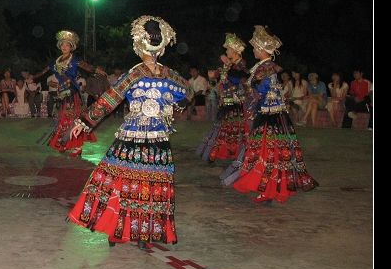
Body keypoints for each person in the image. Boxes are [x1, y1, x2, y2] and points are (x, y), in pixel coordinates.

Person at [68, 16, 190, 246]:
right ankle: (142, 233)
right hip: (158, 140)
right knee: (150, 186)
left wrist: (84, 122)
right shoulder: (169, 75)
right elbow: (188, 93)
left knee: (122, 183)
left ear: (140, 46)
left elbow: (110, 99)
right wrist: (174, 104)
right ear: (161, 47)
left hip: (132, 138)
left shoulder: (135, 73)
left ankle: (117, 229)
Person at [221, 26, 318, 203]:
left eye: (255, 48)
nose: (253, 50)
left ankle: (269, 189)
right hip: (270, 114)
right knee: (267, 152)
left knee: (268, 152)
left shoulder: (266, 68)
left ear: (261, 49)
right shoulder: (263, 66)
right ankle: (268, 188)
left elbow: (260, 90)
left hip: (269, 116)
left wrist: (247, 91)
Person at [31, 30, 105, 158]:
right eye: (62, 44)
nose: (64, 47)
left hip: (72, 93)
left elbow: (87, 67)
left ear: (71, 47)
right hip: (61, 93)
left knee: (73, 118)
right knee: (62, 118)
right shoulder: (56, 62)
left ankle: (77, 147)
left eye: (67, 45)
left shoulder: (74, 60)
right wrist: (33, 77)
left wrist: (98, 71)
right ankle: (65, 142)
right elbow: (44, 71)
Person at [196, 33, 249, 163]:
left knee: (234, 126)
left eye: (228, 49)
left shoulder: (240, 63)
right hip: (225, 99)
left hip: (235, 101)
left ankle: (233, 152)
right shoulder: (227, 65)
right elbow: (220, 81)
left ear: (235, 50)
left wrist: (227, 65)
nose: (226, 52)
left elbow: (238, 79)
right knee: (223, 126)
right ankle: (220, 152)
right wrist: (214, 76)